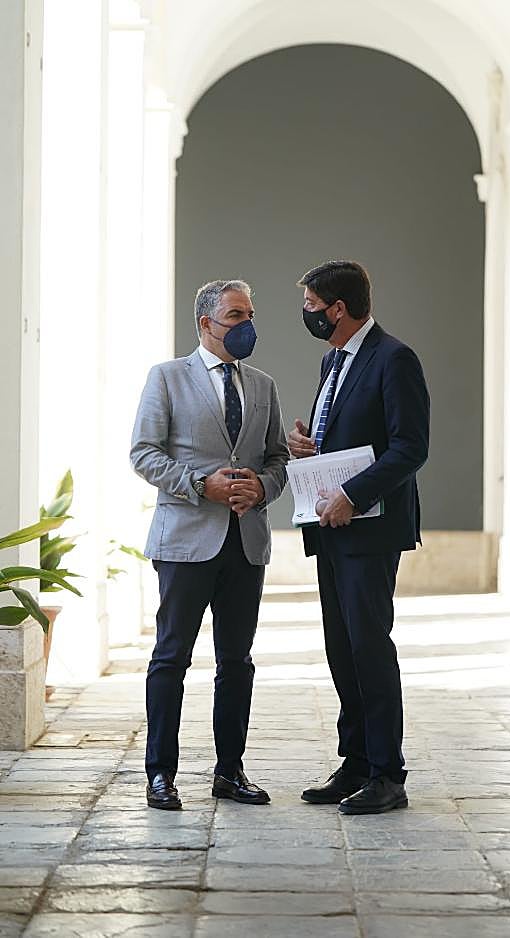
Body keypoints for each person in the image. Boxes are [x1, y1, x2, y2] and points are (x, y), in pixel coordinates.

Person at [130, 279, 289, 810]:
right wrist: (202, 485)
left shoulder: (263, 385)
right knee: (171, 657)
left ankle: (230, 770)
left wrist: (260, 488)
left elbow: (277, 459)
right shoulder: (167, 378)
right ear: (206, 324)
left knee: (236, 661)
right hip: (185, 541)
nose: (247, 325)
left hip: (245, 542)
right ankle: (160, 774)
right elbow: (144, 453)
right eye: (236, 315)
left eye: (250, 314)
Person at [288, 260, 430, 815]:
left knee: (370, 647)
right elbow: (346, 433)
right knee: (341, 648)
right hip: (331, 525)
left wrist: (353, 494)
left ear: (337, 309)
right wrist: (310, 444)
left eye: (310, 306)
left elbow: (409, 447)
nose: (306, 314)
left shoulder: (395, 359)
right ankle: (355, 761)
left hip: (368, 528)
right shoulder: (333, 359)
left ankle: (387, 774)